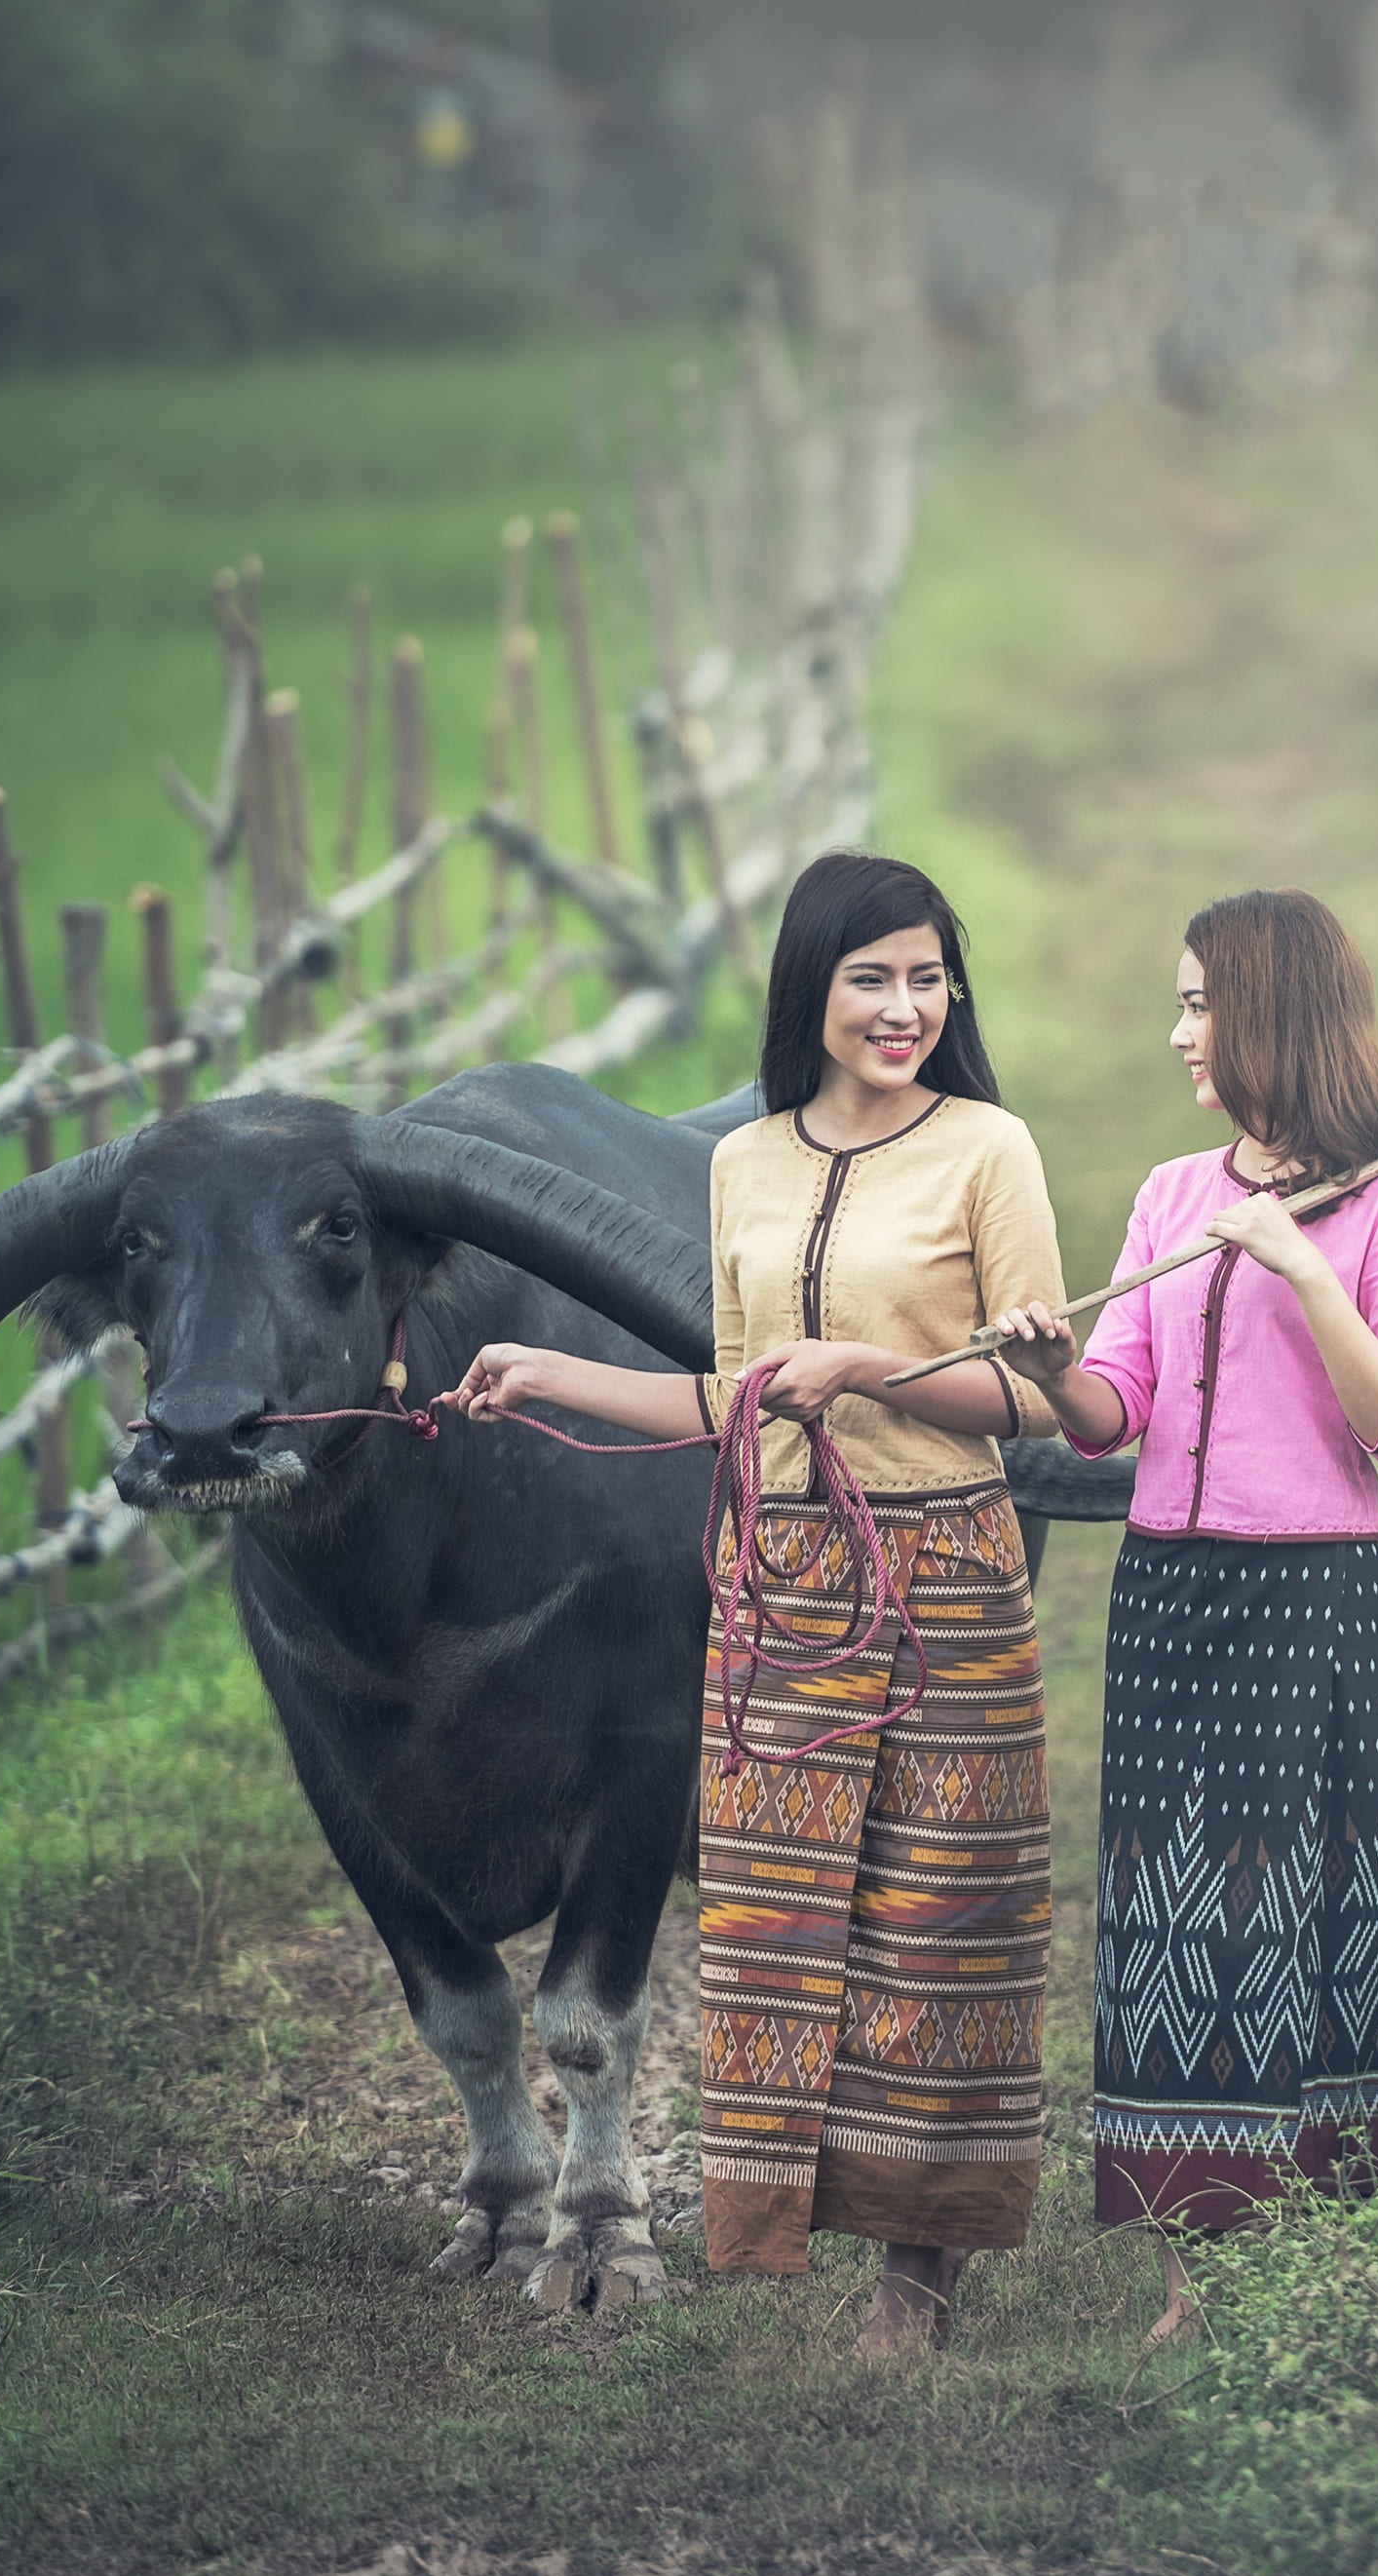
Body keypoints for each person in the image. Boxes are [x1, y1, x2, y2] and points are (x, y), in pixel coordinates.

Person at [452, 852, 1068, 2358]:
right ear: (811, 988)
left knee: (935, 1917)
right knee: (781, 1927)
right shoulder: (746, 1165)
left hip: (943, 1568)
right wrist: (547, 1373)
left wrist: (866, 1370)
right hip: (781, 1574)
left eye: (928, 978)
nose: (906, 1007)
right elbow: (732, 1398)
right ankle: (788, 2218)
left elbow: (1037, 1401)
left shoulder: (989, 1150)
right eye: (873, 978)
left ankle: (920, 2270)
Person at [987, 887, 1378, 2351]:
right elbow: (1114, 1411)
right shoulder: (1173, 1194)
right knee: (1172, 1911)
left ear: (1270, 1013)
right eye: (1180, 1004)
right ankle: (1202, 2253)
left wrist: (1303, 1264)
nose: (1180, 1033)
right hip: (1168, 1593)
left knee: (1292, 1909)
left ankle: (1322, 2235)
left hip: (1308, 1596)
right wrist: (1052, 1370)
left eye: (1200, 1004)